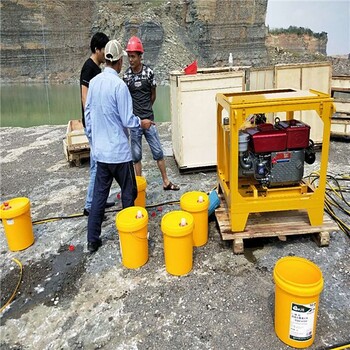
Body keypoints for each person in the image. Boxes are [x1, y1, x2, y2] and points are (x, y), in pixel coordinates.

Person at [85, 39, 154, 253]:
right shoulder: (119, 86)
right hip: (119, 155)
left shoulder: (94, 83)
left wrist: (93, 140)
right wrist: (141, 122)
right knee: (128, 191)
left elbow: (88, 114)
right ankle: (131, 232)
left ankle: (92, 240)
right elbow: (127, 119)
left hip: (101, 153)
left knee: (99, 197)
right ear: (119, 61)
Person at [123, 36, 180, 191]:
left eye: (133, 56)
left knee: (158, 152)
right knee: (136, 156)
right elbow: (126, 99)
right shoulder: (126, 76)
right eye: (129, 56)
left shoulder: (149, 73)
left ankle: (166, 182)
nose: (130, 59)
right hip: (135, 123)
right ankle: (139, 186)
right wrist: (136, 116)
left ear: (140, 56)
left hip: (149, 120)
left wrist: (147, 109)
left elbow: (153, 94)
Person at [80, 32, 110, 217]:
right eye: (104, 49)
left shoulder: (96, 68)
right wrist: (92, 125)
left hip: (97, 124)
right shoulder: (89, 68)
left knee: (101, 164)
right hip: (93, 125)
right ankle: (90, 205)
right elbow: (86, 98)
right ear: (97, 49)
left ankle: (100, 199)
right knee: (96, 165)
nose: (106, 52)